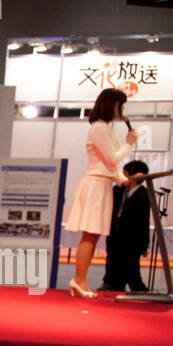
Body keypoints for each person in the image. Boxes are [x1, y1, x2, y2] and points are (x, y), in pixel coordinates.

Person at [64, 87, 136, 298]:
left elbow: (110, 165)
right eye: (120, 105)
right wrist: (129, 145)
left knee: (93, 235)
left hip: (102, 185)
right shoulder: (99, 128)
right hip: (95, 186)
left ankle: (80, 279)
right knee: (90, 233)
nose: (122, 109)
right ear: (112, 104)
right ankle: (79, 279)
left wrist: (121, 178)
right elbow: (112, 159)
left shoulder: (105, 128)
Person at [102, 160, 151, 293]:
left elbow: (144, 221)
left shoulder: (144, 194)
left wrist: (145, 243)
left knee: (131, 269)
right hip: (115, 234)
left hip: (132, 238)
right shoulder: (118, 190)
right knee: (113, 263)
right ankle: (113, 287)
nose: (122, 177)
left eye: (125, 174)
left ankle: (141, 291)